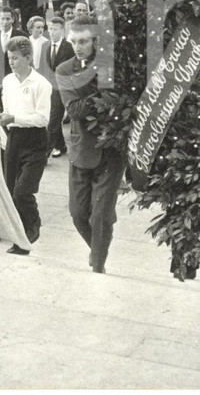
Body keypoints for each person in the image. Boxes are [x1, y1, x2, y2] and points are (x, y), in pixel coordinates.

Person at [57, 17, 126, 273]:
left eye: (83, 41)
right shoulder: (64, 70)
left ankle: (98, 265)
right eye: (73, 41)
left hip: (110, 152)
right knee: (77, 214)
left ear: (95, 41)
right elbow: (74, 110)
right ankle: (99, 244)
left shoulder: (111, 65)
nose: (77, 46)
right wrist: (102, 94)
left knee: (98, 217)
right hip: (81, 149)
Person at [1, 36, 53, 255]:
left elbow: (42, 119)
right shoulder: (8, 81)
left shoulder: (42, 84)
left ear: (28, 58)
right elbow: (6, 110)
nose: (11, 62)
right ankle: (20, 241)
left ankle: (33, 224)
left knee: (23, 192)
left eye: (15, 58)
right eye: (9, 58)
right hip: (14, 139)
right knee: (11, 191)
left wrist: (14, 118)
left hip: (35, 141)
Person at [41, 16, 74, 159]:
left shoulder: (69, 47)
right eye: (50, 29)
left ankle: (45, 153)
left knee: (53, 120)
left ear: (62, 30)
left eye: (54, 29)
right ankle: (61, 146)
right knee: (53, 118)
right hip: (49, 89)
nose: (51, 32)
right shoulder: (46, 46)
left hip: (63, 90)